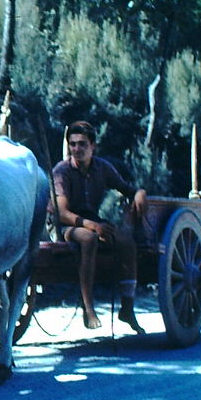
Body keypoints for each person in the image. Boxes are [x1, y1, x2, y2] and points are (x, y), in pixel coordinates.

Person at [51, 121, 147, 333]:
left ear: (93, 146)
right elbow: (63, 214)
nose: (77, 149)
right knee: (88, 239)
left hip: (92, 221)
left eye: (82, 144)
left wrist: (139, 193)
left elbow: (126, 188)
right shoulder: (62, 171)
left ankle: (127, 308)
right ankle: (88, 307)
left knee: (126, 242)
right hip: (65, 227)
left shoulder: (102, 168)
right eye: (73, 144)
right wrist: (93, 226)